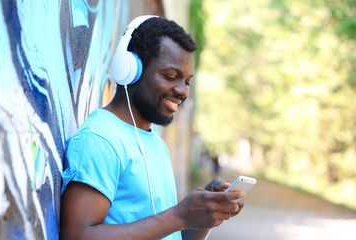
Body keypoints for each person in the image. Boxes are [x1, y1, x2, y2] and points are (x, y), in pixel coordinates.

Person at [60, 16, 245, 240]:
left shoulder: (155, 143)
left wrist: (201, 215)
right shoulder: (100, 139)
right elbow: (77, 235)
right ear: (130, 68)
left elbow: (170, 234)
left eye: (187, 81)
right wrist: (180, 216)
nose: (182, 91)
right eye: (170, 76)